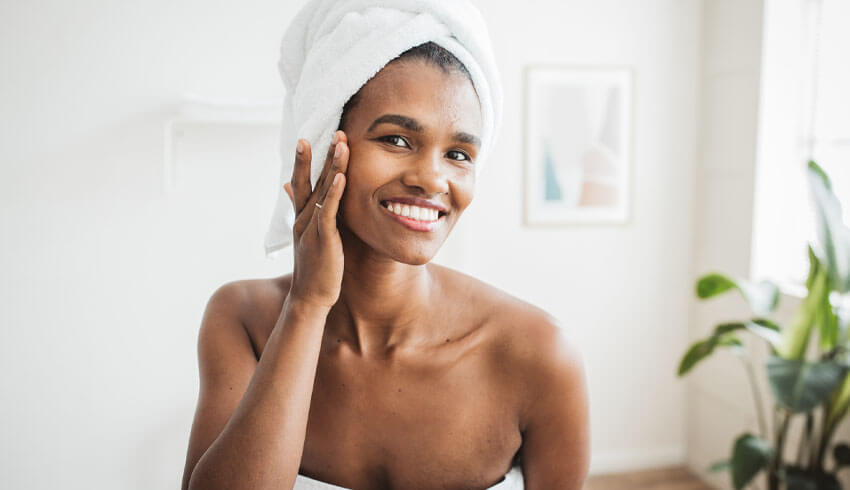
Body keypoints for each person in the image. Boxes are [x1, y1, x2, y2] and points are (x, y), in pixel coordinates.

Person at [180, 34, 589, 490]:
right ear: (323, 144)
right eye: (397, 139)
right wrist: (307, 305)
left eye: (458, 154)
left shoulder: (541, 355)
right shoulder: (242, 320)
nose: (432, 179)